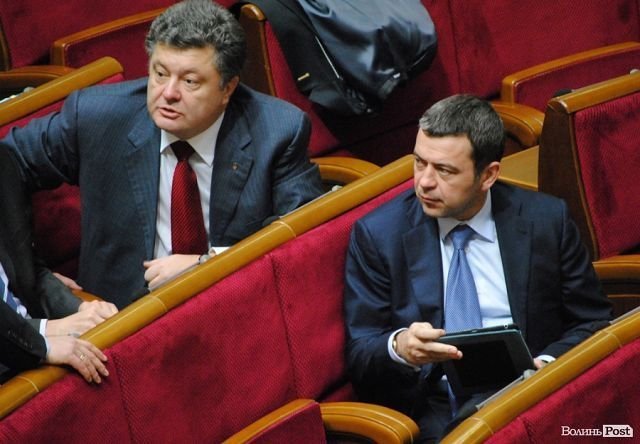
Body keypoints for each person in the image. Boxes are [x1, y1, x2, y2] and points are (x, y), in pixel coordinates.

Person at [0, 0, 324, 308]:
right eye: (159, 73)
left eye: (190, 81)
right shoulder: (95, 117)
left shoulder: (277, 131)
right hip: (118, 316)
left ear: (227, 88)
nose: (168, 93)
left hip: (235, 306)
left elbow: (303, 238)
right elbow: (8, 161)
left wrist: (207, 265)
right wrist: (32, 278)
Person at [343, 94, 613, 442]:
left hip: (530, 393)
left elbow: (592, 320)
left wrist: (546, 366)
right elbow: (361, 351)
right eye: (420, 163)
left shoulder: (546, 220)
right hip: (437, 407)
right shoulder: (379, 235)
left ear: (488, 175)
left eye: (444, 170)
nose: (424, 182)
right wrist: (401, 347)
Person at [0, 149, 117, 384]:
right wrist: (46, 335)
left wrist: (81, 309)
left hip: (35, 351)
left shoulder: (3, 163)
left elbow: (30, 270)